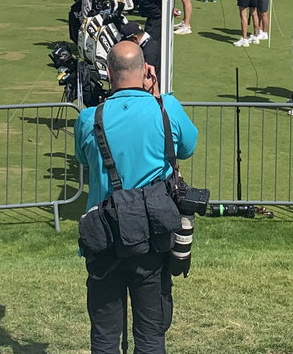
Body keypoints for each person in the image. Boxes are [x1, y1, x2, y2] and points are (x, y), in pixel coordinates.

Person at [74, 41, 197, 354]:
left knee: (104, 334)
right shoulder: (166, 107)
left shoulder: (90, 118)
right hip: (151, 234)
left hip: (105, 235)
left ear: (108, 74)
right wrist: (156, 97)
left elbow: (84, 159)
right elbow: (187, 148)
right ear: (146, 71)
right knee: (151, 334)